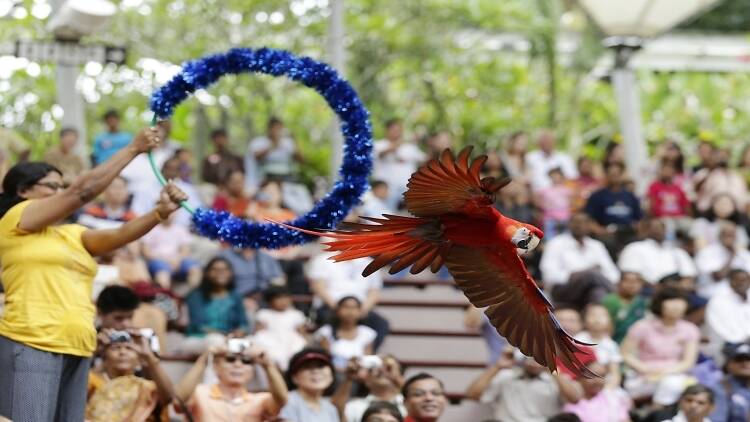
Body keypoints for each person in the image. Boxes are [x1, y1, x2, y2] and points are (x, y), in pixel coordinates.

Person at [0, 127, 185, 421]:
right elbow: (82, 192)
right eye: (51, 186)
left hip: (78, 345)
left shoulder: (71, 233)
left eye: (62, 186)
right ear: (23, 191)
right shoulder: (14, 220)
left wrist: (159, 212)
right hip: (31, 341)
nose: (60, 194)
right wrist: (132, 149)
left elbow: (121, 234)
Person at [307, 238, 390, 350]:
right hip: (330, 307)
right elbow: (319, 287)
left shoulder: (369, 262)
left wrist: (362, 310)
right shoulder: (323, 260)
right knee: (325, 325)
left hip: (360, 309)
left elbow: (374, 291)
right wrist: (339, 308)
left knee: (381, 324)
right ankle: (330, 357)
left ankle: (366, 357)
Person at [621, 287, 700, 401]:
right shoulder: (642, 326)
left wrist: (664, 372)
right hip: (644, 375)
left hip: (674, 374)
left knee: (672, 384)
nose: (676, 305)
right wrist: (644, 368)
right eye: (671, 300)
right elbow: (626, 353)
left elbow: (688, 361)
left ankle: (657, 410)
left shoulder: (690, 330)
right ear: (660, 304)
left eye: (680, 300)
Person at [175, 342, 288, 421]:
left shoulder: (260, 400)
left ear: (253, 371)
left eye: (246, 361)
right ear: (215, 366)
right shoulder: (199, 393)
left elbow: (281, 400)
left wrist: (268, 365)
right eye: (230, 359)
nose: (238, 365)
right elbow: (178, 401)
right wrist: (204, 360)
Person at [464, 348, 583, 422]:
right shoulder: (505, 376)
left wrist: (552, 369)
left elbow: (574, 399)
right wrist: (498, 366)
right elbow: (471, 395)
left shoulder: (556, 379)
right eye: (530, 355)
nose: (534, 360)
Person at [86, 332, 173, 421]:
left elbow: (168, 398)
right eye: (116, 348)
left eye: (129, 348)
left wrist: (148, 356)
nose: (122, 352)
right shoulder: (92, 380)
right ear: (104, 357)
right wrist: (93, 350)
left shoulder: (146, 387)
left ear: (139, 360)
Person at [539, 212, 619, 304]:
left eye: (584, 222)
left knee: (597, 292)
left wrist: (589, 275)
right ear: (569, 224)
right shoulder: (556, 244)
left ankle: (594, 317)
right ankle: (618, 295)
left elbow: (613, 274)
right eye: (576, 222)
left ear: (590, 225)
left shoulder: (597, 246)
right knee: (590, 274)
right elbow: (549, 275)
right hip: (563, 289)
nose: (579, 225)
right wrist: (578, 275)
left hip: (589, 289)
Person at [182, 257, 249, 353]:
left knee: (256, 343)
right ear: (207, 273)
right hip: (198, 339)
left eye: (225, 269)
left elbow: (243, 323)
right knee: (216, 340)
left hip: (229, 339)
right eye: (215, 269)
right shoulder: (196, 295)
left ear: (231, 273)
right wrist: (226, 335)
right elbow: (198, 325)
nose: (220, 272)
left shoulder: (235, 296)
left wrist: (240, 331)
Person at [618, 218, 697, 285]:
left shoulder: (677, 251)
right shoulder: (633, 248)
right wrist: (657, 287)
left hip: (676, 290)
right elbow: (631, 274)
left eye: (661, 227)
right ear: (644, 230)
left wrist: (680, 286)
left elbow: (689, 275)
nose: (658, 230)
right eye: (653, 227)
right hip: (647, 290)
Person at [584, 162, 641, 254]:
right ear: (606, 176)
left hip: (627, 232)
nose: (614, 177)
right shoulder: (597, 196)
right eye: (612, 174)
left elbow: (639, 219)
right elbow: (589, 219)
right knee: (609, 243)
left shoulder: (630, 196)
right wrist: (600, 230)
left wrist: (637, 228)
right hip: (606, 232)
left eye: (617, 174)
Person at [332, 355, 406, 422]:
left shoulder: (409, 404)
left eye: (389, 368)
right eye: (374, 368)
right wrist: (349, 378)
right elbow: (335, 412)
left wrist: (397, 379)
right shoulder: (354, 407)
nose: (382, 371)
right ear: (366, 380)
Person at [372, 119, 426, 209]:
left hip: (408, 189)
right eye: (394, 129)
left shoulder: (409, 147)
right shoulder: (379, 144)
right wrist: (401, 142)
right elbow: (381, 154)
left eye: (399, 130)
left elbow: (425, 160)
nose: (397, 132)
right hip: (386, 190)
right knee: (385, 214)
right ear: (387, 130)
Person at [141, 209, 201, 290]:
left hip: (178, 260)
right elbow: (146, 252)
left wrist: (178, 260)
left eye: (173, 212)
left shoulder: (181, 229)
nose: (170, 214)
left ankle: (194, 296)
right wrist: (166, 261)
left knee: (195, 269)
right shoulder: (151, 228)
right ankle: (165, 296)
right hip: (158, 260)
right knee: (163, 273)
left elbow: (185, 250)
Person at [253, 285, 308, 370]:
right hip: (271, 344)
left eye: (286, 298)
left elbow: (302, 333)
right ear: (269, 301)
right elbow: (258, 333)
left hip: (291, 343)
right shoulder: (264, 314)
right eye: (279, 298)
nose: (283, 301)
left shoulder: (296, 314)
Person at [315, 296, 377, 370]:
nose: (350, 311)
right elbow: (326, 360)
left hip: (359, 374)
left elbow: (367, 360)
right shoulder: (325, 332)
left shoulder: (368, 333)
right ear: (337, 311)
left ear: (360, 312)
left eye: (354, 308)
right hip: (334, 373)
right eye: (346, 307)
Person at [280, 348, 338, 422]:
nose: (315, 371)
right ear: (294, 378)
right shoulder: (286, 402)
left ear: (331, 375)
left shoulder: (331, 409)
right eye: (307, 367)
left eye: (320, 366)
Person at [562, 361, 631, 422]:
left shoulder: (612, 398)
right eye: (592, 376)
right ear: (580, 377)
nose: (598, 380)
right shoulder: (571, 408)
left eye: (602, 376)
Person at [695, 221, 750, 298]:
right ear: (719, 235)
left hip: (742, 294)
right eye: (726, 234)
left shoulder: (744, 254)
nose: (729, 237)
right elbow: (717, 276)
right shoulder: (706, 252)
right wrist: (731, 256)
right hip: (713, 293)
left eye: (732, 234)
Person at [246, 117, 304, 187]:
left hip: (287, 179)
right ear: (269, 129)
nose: (279, 131)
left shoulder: (287, 142)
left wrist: (295, 141)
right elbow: (257, 157)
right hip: (264, 180)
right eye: (276, 128)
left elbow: (301, 160)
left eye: (280, 128)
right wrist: (274, 144)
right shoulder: (258, 142)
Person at [217, 246, 285, 305]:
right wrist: (240, 301)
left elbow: (279, 281)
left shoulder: (266, 257)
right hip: (234, 300)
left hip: (265, 300)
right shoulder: (225, 256)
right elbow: (218, 284)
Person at [706, 270, 750, 352]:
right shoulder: (718, 301)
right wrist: (742, 340)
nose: (741, 283)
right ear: (730, 282)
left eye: (745, 280)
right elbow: (717, 327)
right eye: (737, 280)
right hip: (729, 345)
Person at [577, 304, 622, 385]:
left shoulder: (611, 345)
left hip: (604, 382)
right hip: (582, 381)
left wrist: (609, 389)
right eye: (593, 315)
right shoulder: (578, 339)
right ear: (584, 320)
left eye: (602, 315)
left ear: (609, 321)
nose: (597, 319)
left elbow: (615, 373)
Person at [601, 271, 648, 343]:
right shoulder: (611, 301)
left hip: (638, 344)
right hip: (615, 341)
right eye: (628, 281)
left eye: (636, 281)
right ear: (619, 283)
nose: (632, 285)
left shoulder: (644, 302)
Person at [707, 343, 750, 421]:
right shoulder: (721, 388)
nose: (745, 363)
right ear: (728, 364)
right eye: (739, 359)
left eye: (749, 359)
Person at [535, 168, 573, 238]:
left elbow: (571, 204)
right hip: (550, 219)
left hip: (565, 218)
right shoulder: (544, 191)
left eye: (557, 175)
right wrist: (544, 207)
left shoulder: (567, 190)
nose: (555, 178)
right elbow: (538, 202)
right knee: (550, 239)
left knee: (566, 238)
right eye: (553, 176)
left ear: (561, 176)